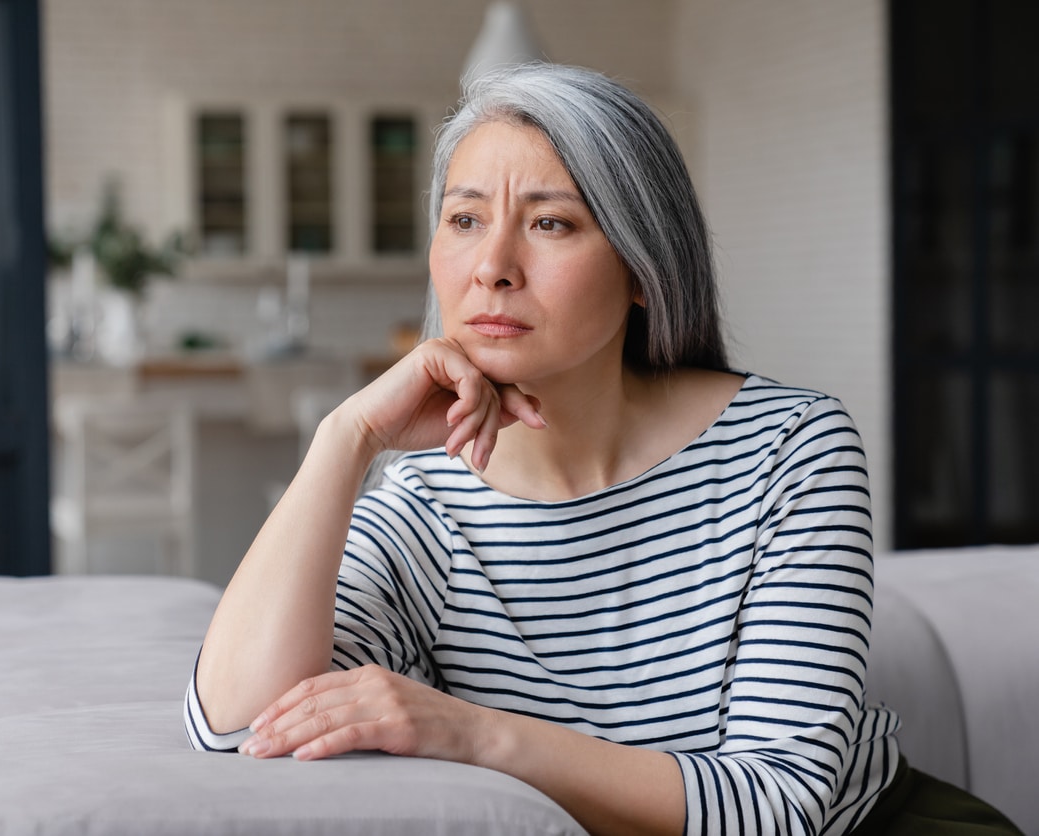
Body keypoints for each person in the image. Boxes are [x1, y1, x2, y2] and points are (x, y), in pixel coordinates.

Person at [186, 63, 1021, 836]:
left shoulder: (788, 448)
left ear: (642, 268)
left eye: (550, 222)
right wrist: (346, 439)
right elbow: (237, 727)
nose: (493, 267)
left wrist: (469, 732)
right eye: (464, 219)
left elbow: (777, 807)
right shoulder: (424, 508)